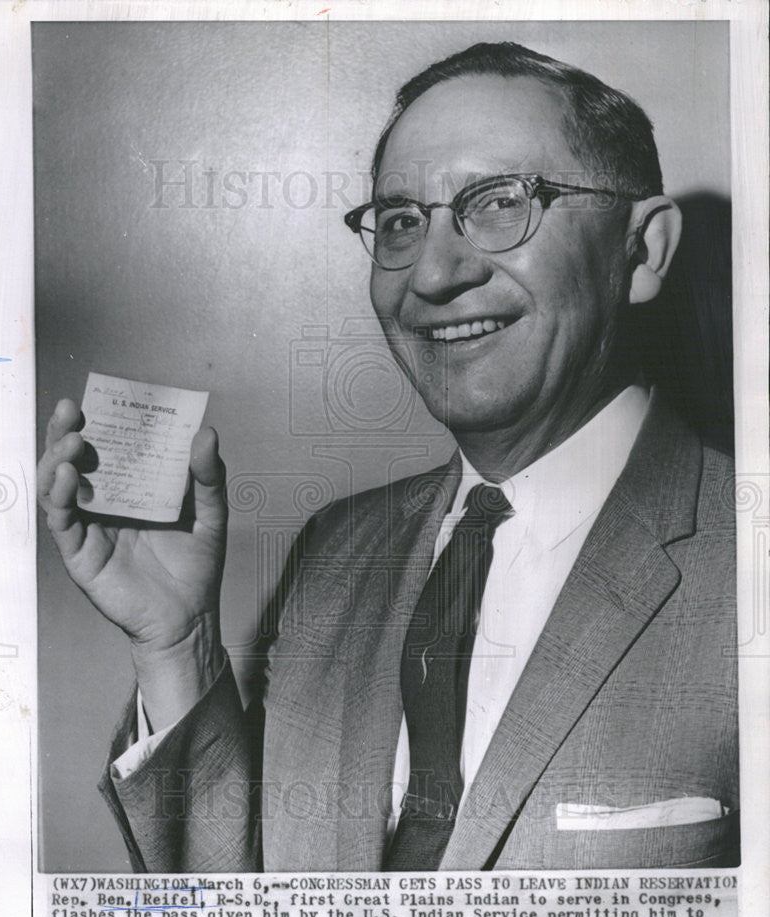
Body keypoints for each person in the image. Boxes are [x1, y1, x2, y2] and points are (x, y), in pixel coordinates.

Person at [37, 42, 738, 871]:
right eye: (403, 221)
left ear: (644, 250)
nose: (434, 274)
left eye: (500, 203)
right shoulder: (337, 552)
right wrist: (178, 645)